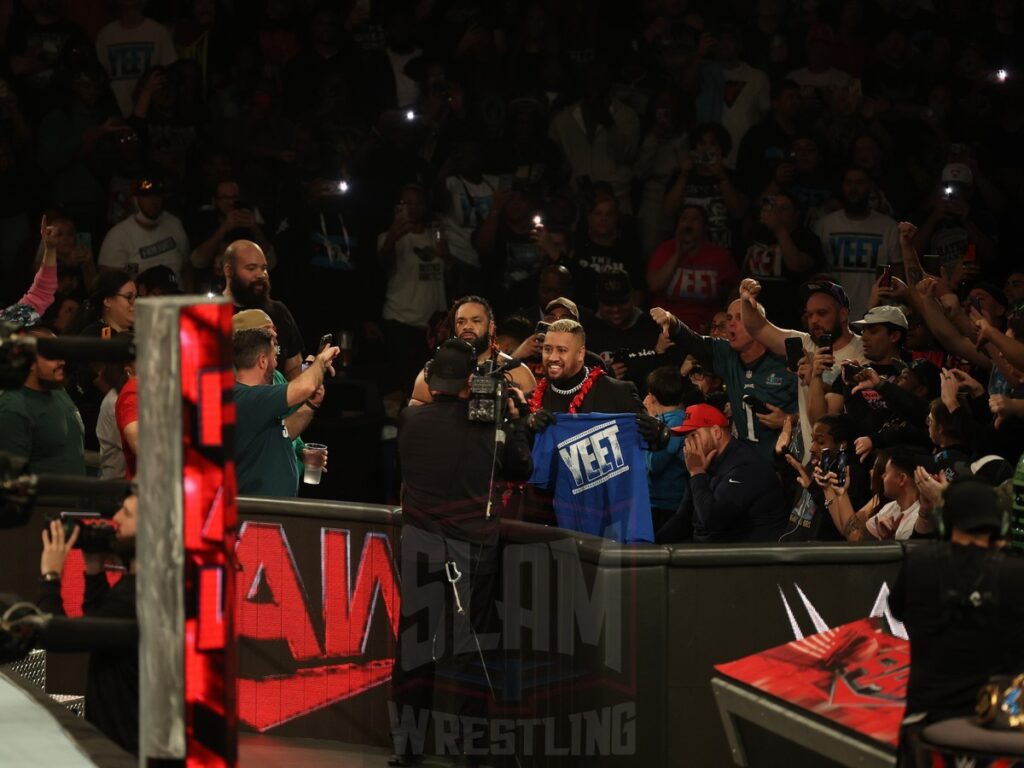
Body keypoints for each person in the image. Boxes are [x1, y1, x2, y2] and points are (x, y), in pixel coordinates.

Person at [390, 338, 533, 766]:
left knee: (414, 652)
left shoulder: (408, 422)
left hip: (420, 551)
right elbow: (521, 467)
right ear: (470, 381)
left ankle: (407, 751)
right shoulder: (488, 429)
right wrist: (518, 420)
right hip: (473, 554)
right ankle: (473, 755)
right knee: (473, 655)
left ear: (432, 383)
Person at [889, 479, 1024, 762]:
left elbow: (897, 610)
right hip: (1005, 722)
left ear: (943, 524)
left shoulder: (919, 564)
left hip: (929, 719)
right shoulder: (1016, 575)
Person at [37, 494, 140, 752]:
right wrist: (94, 569)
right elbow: (102, 631)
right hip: (118, 739)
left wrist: (50, 574)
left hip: (125, 751)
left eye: (126, 514)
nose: (116, 519)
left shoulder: (135, 599)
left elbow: (54, 636)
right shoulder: (141, 587)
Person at [651, 297, 798, 462]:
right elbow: (694, 341)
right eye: (729, 318)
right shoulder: (727, 354)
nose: (731, 324)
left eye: (739, 318)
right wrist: (673, 322)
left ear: (759, 324)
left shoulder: (786, 361)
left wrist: (790, 420)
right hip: (747, 465)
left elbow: (821, 415)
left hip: (788, 466)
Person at [739, 277, 866, 459]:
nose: (814, 321)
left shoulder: (863, 350)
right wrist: (745, 300)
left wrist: (814, 378)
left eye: (822, 313)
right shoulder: (806, 343)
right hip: (809, 458)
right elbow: (757, 328)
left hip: (846, 460)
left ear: (843, 314)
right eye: (809, 315)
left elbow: (834, 413)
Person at [657, 403, 786, 543]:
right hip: (715, 552)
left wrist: (697, 473)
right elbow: (683, 517)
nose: (688, 443)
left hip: (750, 557)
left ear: (716, 432)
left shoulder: (745, 466)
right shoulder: (705, 462)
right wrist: (650, 545)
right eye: (686, 437)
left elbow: (713, 521)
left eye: (694, 435)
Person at [232, 327, 337, 497]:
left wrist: (310, 405)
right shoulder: (244, 397)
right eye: (274, 358)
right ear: (262, 361)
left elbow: (283, 431)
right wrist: (321, 361)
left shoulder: (255, 399)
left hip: (275, 510)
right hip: (258, 514)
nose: (276, 364)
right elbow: (305, 386)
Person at [377, 183, 450, 397]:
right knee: (404, 384)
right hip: (401, 319)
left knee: (432, 384)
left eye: (418, 203)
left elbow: (449, 276)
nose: (413, 208)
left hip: (433, 323)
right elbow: (382, 266)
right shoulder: (388, 238)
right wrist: (392, 237)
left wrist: (447, 257)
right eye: (407, 203)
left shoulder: (435, 235)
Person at [409, 295, 536, 405]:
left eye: (476, 321)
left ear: (491, 327)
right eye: (461, 321)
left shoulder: (518, 373)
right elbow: (417, 419)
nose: (467, 327)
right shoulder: (434, 372)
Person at [813, 166, 900, 316]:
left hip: (876, 313)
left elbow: (898, 274)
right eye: (849, 182)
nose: (854, 188)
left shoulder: (888, 227)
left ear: (870, 186)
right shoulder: (824, 225)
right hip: (834, 313)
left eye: (860, 182)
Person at [0, 326, 85, 475]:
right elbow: (12, 479)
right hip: (45, 498)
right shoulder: (13, 408)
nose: (62, 361)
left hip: (76, 496)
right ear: (30, 363)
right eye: (52, 355)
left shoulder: (58, 390)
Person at [647, 205, 739, 332]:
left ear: (704, 227)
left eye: (695, 219)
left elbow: (735, 288)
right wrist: (678, 254)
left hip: (705, 331)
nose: (689, 222)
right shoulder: (665, 250)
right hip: (668, 329)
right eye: (684, 218)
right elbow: (655, 285)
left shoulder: (719, 256)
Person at [222, 240, 304, 381]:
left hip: (279, 400)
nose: (261, 275)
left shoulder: (279, 311)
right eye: (251, 268)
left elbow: (294, 367)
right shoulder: (211, 313)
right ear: (229, 271)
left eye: (264, 268)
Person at [740, 190, 823, 329]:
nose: (776, 213)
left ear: (796, 213)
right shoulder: (757, 236)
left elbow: (795, 265)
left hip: (789, 319)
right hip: (756, 314)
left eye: (783, 209)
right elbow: (745, 272)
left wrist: (780, 230)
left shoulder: (807, 239)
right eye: (774, 208)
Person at [586, 269, 674, 392]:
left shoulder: (653, 327)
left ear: (633, 297)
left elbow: (670, 380)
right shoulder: (588, 331)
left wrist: (659, 356)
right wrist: (603, 379)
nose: (616, 309)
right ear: (598, 301)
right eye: (609, 304)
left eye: (622, 302)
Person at [97, 175, 190, 283]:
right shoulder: (117, 236)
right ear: (135, 199)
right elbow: (107, 275)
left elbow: (187, 269)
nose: (153, 201)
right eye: (146, 196)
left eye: (157, 195)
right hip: (140, 298)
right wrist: (137, 267)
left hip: (177, 297)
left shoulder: (174, 224)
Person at [188, 179, 277, 291]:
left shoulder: (251, 224)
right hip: (214, 292)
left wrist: (255, 229)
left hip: (246, 292)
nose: (230, 202)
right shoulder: (205, 223)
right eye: (225, 198)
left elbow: (272, 262)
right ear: (216, 201)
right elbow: (196, 262)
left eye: (234, 197)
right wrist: (224, 229)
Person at [644, 366, 702, 531]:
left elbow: (655, 464)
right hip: (657, 504)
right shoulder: (668, 420)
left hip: (669, 507)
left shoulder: (677, 423)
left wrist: (650, 420)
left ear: (652, 397)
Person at [95, 0, 178, 116]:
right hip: (116, 114)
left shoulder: (159, 33)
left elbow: (169, 75)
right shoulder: (105, 34)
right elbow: (100, 78)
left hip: (151, 115)